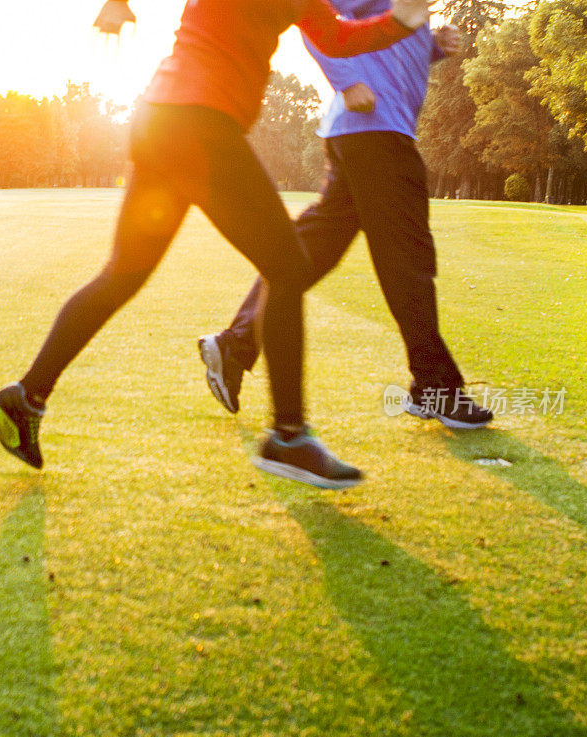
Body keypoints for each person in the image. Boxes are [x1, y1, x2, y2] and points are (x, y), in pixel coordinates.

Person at [0, 0, 432, 490]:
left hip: (160, 122)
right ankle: (288, 436)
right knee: (287, 269)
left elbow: (336, 37)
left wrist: (401, 22)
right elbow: (337, 39)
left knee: (122, 275)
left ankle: (25, 397)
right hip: (200, 125)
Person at [198, 0, 493, 431]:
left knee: (311, 252)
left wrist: (432, 46)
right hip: (374, 130)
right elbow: (309, 14)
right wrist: (346, 80)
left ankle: (235, 345)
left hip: (367, 132)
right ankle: (436, 387)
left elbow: (387, 40)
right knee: (408, 261)